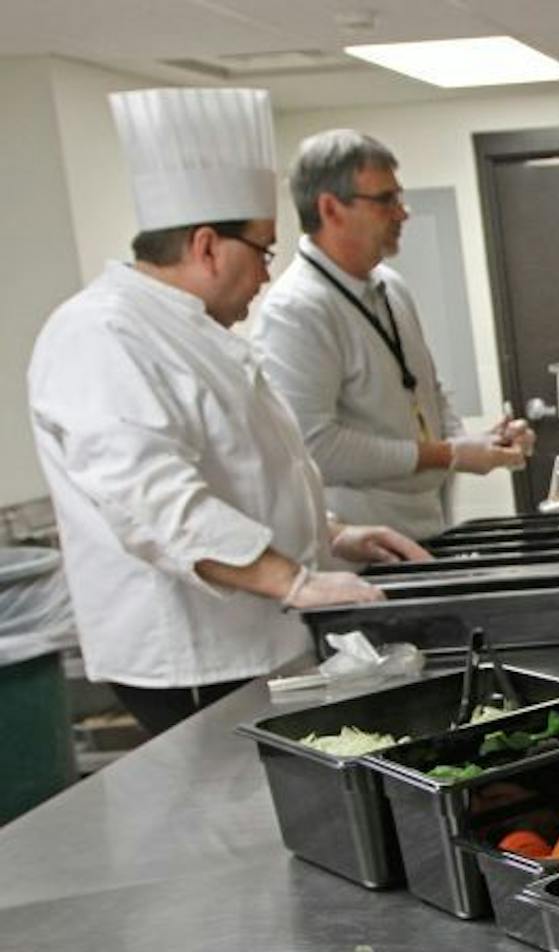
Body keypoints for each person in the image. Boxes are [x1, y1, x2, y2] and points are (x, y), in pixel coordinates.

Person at [28, 89, 426, 737]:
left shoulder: (195, 331)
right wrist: (292, 580)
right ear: (208, 246)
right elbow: (154, 503)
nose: (268, 275)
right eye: (264, 252)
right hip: (190, 654)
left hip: (254, 634)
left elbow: (245, 472)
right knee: (226, 812)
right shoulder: (101, 335)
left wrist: (329, 534)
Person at [255, 130, 532, 541]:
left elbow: (427, 393)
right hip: (362, 550)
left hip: (429, 527)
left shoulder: (389, 286)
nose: (402, 213)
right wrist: (448, 454)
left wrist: (477, 442)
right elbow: (316, 448)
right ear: (331, 209)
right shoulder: (297, 310)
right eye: (386, 200)